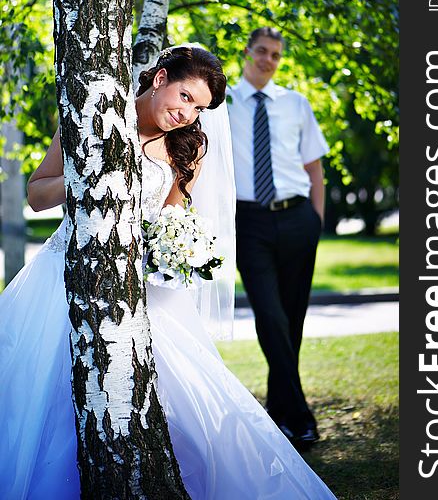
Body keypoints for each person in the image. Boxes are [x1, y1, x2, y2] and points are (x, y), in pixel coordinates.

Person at [0, 45, 337, 499]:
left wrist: (174, 253)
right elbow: (37, 194)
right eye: (185, 96)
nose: (188, 114)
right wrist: (89, 176)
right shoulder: (92, 114)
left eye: (199, 108)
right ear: (159, 78)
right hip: (63, 278)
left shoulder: (187, 146)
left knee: (170, 402)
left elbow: (172, 219)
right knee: (49, 396)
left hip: (138, 290)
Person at [228, 28, 330, 451]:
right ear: (247, 52)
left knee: (292, 323)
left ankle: (278, 413)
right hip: (248, 223)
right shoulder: (221, 105)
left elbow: (314, 169)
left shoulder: (296, 104)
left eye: (276, 55)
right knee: (270, 317)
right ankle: (302, 416)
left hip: (297, 220)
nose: (268, 60)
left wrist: (316, 222)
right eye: (262, 52)